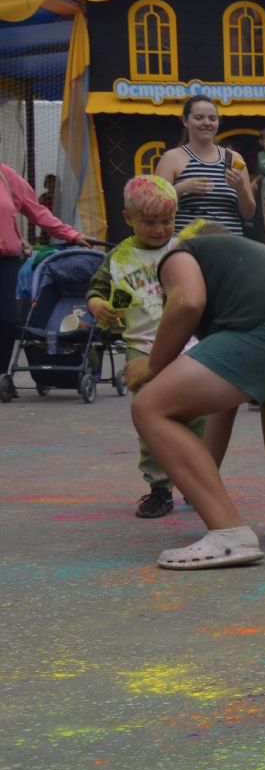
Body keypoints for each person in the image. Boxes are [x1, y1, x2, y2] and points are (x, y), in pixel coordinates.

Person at [126, 222, 265, 570]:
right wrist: (199, 483)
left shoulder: (182, 252)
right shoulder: (252, 269)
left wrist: (151, 366)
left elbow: (188, 302)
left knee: (150, 407)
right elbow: (223, 405)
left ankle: (229, 534)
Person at [85, 176, 206, 519]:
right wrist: (98, 306)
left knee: (198, 415)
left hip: (189, 344)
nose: (159, 229)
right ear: (128, 218)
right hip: (141, 346)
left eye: (167, 221)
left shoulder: (184, 250)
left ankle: (198, 482)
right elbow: (96, 290)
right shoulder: (118, 258)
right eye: (150, 222)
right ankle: (159, 487)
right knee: (151, 417)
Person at [2, 162, 87, 366]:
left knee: (5, 320)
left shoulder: (5, 175)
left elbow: (37, 211)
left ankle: (1, 372)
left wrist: (72, 235)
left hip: (5, 263)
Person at [156, 95, 255, 236]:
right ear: (185, 121)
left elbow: (249, 214)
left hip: (229, 244)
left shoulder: (234, 158)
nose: (206, 123)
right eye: (199, 118)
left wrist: (241, 189)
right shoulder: (171, 158)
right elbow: (155, 207)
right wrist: (180, 189)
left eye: (212, 118)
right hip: (188, 245)